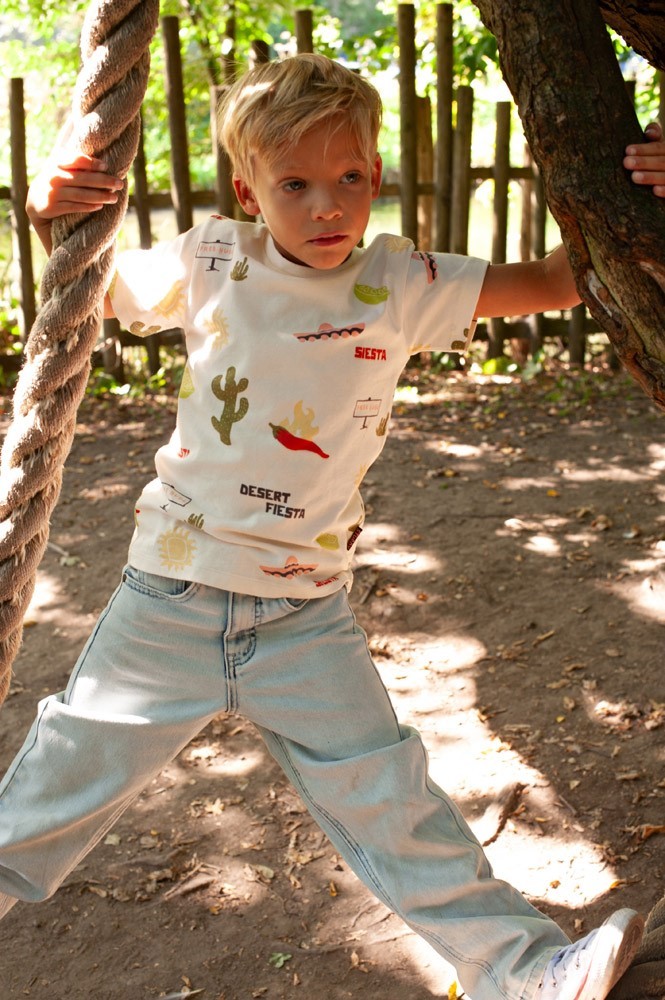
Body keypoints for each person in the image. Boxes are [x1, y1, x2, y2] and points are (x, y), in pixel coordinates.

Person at [5, 53, 665, 1000]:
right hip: (171, 600)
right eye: (297, 184)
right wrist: (51, 205)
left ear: (377, 179)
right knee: (50, 796)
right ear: (248, 190)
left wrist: (629, 180)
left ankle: (525, 973)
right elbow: (86, 280)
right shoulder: (210, 258)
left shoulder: (399, 278)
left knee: (392, 803)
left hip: (304, 619)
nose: (328, 207)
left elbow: (559, 279)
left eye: (349, 178)